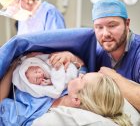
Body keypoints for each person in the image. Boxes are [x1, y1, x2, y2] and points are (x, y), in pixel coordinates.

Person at [47, 0, 140, 111]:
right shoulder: (98, 50)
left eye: (112, 25)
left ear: (127, 23)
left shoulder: (137, 53)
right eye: (99, 27)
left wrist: (114, 78)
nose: (105, 33)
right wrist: (73, 58)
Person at [0, 59, 133, 125]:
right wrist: (69, 56)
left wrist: (12, 68)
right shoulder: (71, 87)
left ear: (76, 99)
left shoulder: (36, 111)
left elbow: (1, 102)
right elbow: (80, 64)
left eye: (82, 78)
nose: (80, 75)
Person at [0, 0, 65, 35]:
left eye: (12, 6)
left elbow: (57, 43)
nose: (12, 11)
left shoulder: (49, 13)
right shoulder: (23, 19)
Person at [12, 54, 78, 98]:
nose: (40, 75)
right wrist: (50, 82)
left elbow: (50, 60)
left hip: (64, 64)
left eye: (36, 71)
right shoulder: (42, 84)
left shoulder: (39, 62)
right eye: (37, 79)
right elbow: (54, 89)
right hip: (66, 75)